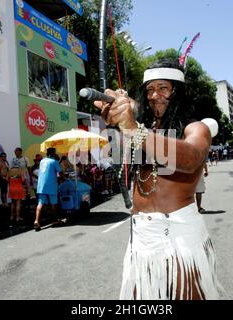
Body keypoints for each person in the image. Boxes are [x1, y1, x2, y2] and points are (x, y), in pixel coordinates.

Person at [94, 58, 220, 300]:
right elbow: (117, 152)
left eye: (163, 88)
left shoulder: (196, 129)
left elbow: (191, 157)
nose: (155, 96)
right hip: (141, 235)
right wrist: (116, 112)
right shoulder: (144, 127)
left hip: (179, 235)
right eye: (150, 89)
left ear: (178, 91)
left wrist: (133, 129)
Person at [34, 148, 62, 231]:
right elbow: (60, 173)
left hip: (41, 185)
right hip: (51, 185)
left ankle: (36, 221)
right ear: (53, 153)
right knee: (53, 203)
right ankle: (55, 220)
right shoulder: (54, 161)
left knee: (40, 203)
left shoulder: (42, 161)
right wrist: (63, 178)